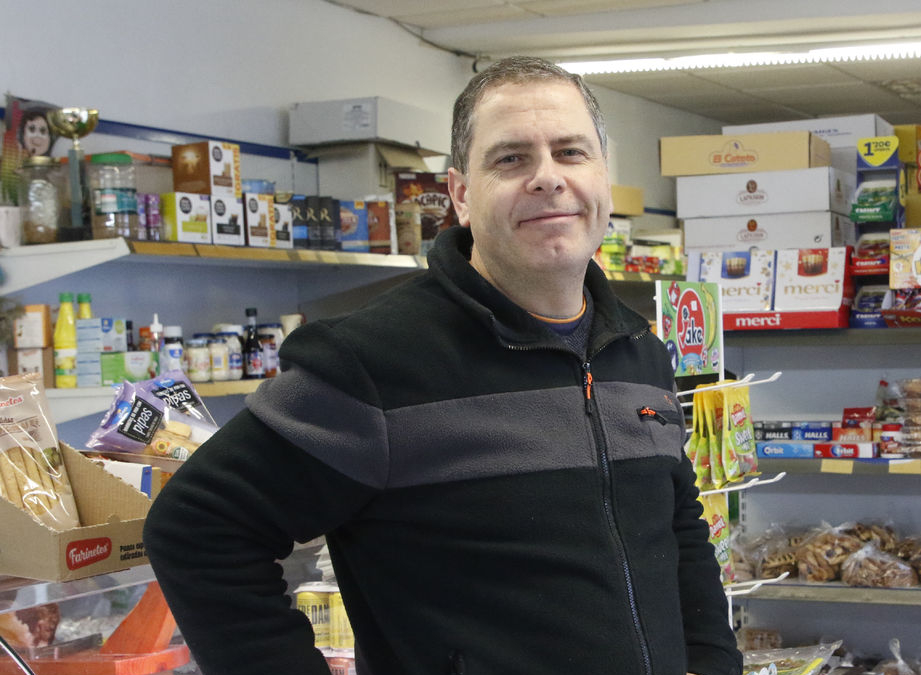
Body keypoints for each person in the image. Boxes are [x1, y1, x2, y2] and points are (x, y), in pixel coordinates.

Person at [144, 56, 740, 675]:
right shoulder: (370, 361)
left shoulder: (638, 350)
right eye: (511, 159)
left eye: (570, 152)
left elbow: (677, 528)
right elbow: (197, 530)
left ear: (602, 177)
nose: (547, 178)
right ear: (460, 193)